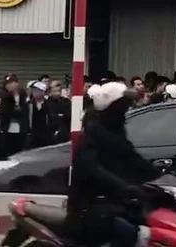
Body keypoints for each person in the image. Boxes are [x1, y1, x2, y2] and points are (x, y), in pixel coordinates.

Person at [68, 82, 161, 247]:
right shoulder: (93, 131)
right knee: (128, 232)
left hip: (112, 201)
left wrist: (159, 175)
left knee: (146, 221)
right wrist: (122, 186)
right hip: (90, 205)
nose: (127, 107)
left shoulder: (117, 130)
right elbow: (92, 168)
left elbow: (131, 157)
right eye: (123, 103)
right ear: (112, 106)